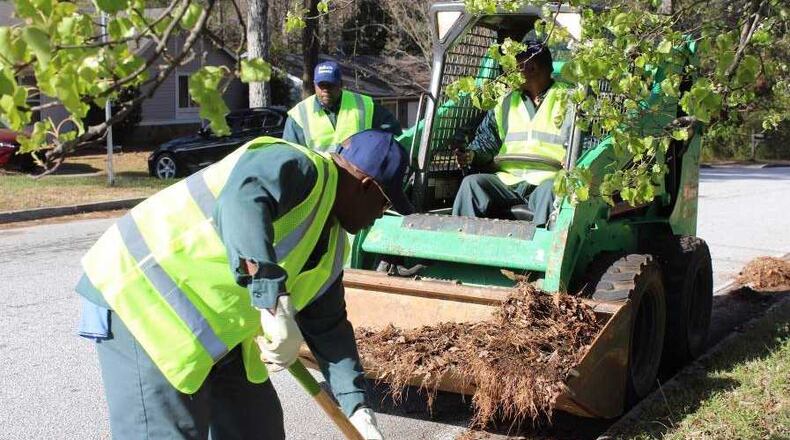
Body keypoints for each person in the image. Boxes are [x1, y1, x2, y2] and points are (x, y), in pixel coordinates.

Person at [75, 130, 411, 439]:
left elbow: (329, 328)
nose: (381, 215)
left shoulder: (334, 242)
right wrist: (272, 300)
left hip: (218, 336)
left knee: (255, 428)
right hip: (141, 302)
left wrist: (357, 407)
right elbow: (242, 202)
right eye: (385, 203)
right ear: (364, 185)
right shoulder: (296, 165)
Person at [452, 41, 573, 226]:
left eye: (513, 66)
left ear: (531, 67)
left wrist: (574, 160)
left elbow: (587, 143)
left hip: (547, 180)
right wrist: (472, 154)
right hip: (508, 181)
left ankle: (540, 250)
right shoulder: (505, 102)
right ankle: (460, 246)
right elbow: (487, 141)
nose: (508, 73)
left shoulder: (570, 101)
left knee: (553, 190)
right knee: (472, 184)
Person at [283, 60, 402, 151]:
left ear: (341, 84)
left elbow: (393, 138)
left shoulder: (365, 105)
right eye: (321, 85)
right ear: (314, 85)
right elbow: (290, 155)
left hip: (358, 179)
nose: (326, 90)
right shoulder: (299, 115)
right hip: (320, 180)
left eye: (330, 85)